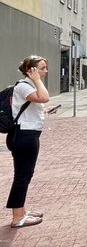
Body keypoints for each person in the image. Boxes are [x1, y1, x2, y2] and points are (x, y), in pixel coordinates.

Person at [6, 56, 52, 228]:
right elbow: (44, 97)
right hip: (24, 136)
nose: (45, 71)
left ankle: (21, 211)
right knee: (22, 176)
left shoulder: (29, 86)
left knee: (25, 175)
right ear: (30, 70)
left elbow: (37, 104)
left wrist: (44, 111)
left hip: (27, 134)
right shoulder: (24, 86)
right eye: (42, 68)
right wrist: (37, 80)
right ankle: (17, 217)